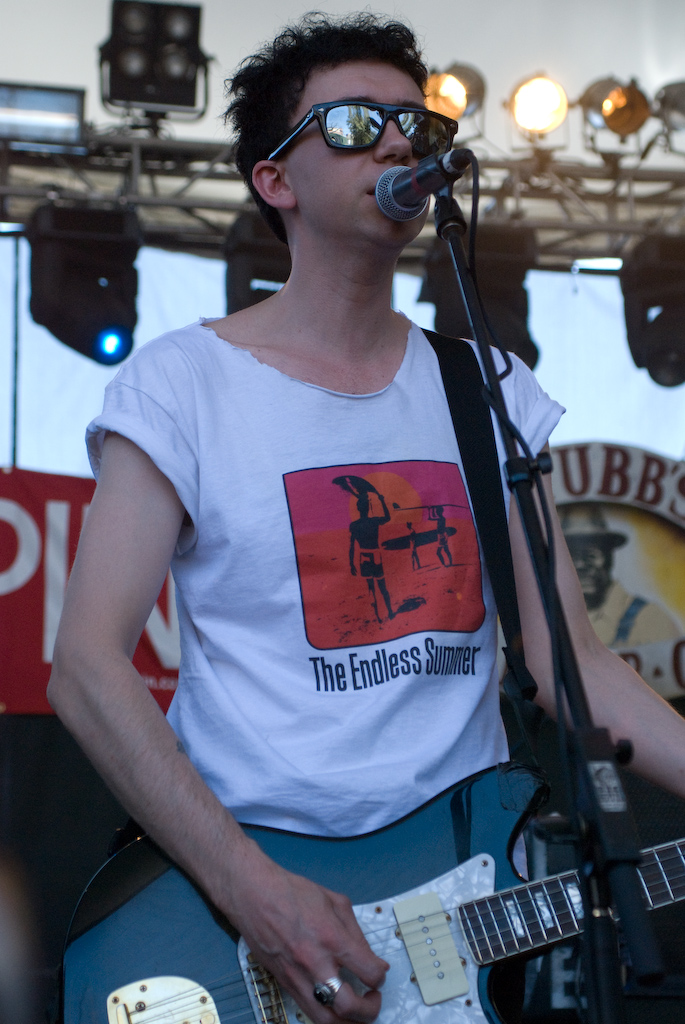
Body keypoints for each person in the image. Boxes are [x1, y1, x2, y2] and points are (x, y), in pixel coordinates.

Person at [47, 13, 685, 1024]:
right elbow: (86, 666)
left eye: (415, 124)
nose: (396, 141)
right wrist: (255, 895)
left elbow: (578, 666)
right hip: (247, 892)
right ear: (275, 180)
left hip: (466, 869)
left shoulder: (486, 390)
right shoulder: (182, 385)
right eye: (353, 122)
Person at [560, 503, 681, 647]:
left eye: (591, 555)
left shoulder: (648, 617)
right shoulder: (550, 619)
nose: (580, 564)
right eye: (572, 555)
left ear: (609, 557)